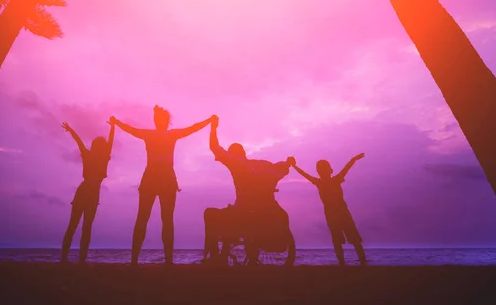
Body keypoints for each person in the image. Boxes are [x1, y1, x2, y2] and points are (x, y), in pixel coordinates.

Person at [111, 106, 214, 265]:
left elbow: (192, 129)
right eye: (156, 119)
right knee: (144, 218)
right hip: (153, 177)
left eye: (160, 119)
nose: (158, 121)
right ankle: (135, 260)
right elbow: (131, 130)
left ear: (165, 121)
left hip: (165, 178)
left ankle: (167, 260)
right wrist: (116, 122)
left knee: (164, 220)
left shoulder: (170, 135)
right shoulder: (150, 134)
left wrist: (209, 121)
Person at [204, 115, 295, 264]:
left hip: (244, 211)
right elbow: (279, 167)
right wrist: (288, 163)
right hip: (267, 210)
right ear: (244, 152)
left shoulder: (235, 161)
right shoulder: (262, 165)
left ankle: (215, 256)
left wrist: (213, 128)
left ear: (233, 153)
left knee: (210, 213)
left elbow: (215, 148)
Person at [292, 154, 367, 266]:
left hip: (342, 213)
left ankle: (361, 261)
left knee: (352, 238)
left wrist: (354, 159)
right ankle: (344, 263)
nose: (322, 172)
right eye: (320, 170)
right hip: (332, 214)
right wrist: (294, 166)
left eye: (324, 169)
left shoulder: (334, 180)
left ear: (330, 170)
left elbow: (347, 167)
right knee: (339, 239)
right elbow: (304, 174)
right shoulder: (320, 182)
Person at [60, 120, 115, 263]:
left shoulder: (102, 158)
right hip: (84, 192)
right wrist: (71, 130)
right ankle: (65, 259)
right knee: (74, 226)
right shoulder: (90, 155)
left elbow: (110, 143)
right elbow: (79, 142)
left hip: (92, 194)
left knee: (85, 227)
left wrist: (113, 128)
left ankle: (80, 260)